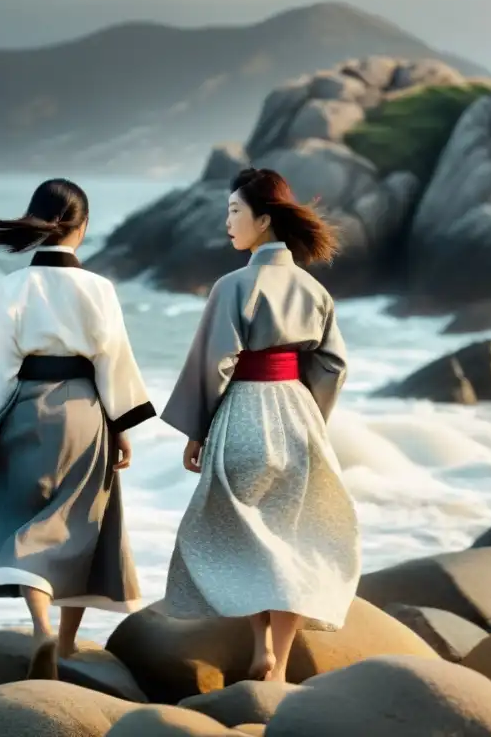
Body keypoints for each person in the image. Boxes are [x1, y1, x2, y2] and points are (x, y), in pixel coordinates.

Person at [0, 178, 155, 657]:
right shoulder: (99, 288)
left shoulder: (14, 285)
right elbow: (113, 360)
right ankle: (69, 642)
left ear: (34, 222)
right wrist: (122, 428)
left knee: (26, 521)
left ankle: (40, 628)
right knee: (80, 523)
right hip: (86, 412)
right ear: (84, 227)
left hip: (27, 410)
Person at [159, 167, 361, 684]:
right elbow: (333, 365)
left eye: (234, 212)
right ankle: (282, 661)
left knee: (247, 538)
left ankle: (258, 646)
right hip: (297, 415)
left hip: (243, 413)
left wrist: (195, 430)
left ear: (263, 219)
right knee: (294, 538)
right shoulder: (314, 290)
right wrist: (312, 416)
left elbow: (214, 363)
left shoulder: (233, 285)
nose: (227, 222)